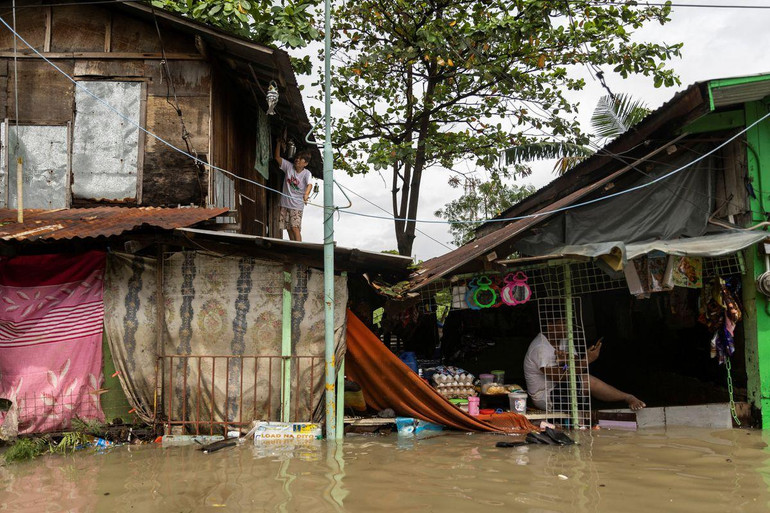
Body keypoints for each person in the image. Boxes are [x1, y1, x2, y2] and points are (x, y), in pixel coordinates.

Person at [523, 318, 646, 412]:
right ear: (550, 326)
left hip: (559, 388)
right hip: (544, 396)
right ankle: (626, 397)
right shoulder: (540, 348)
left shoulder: (563, 339)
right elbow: (559, 377)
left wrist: (565, 363)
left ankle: (626, 397)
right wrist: (587, 360)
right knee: (586, 380)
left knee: (582, 379)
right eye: (563, 323)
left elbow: (573, 363)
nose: (567, 326)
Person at [274, 139, 313, 241]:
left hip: (296, 205)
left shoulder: (306, 173)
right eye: (297, 158)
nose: (297, 160)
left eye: (301, 159)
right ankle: (293, 246)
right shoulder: (288, 167)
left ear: (306, 163)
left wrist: (306, 194)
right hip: (285, 204)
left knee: (295, 228)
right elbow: (277, 157)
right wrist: (278, 143)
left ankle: (299, 248)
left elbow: (309, 184)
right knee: (288, 228)